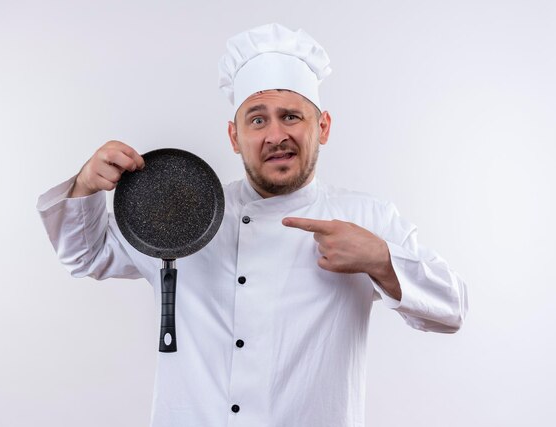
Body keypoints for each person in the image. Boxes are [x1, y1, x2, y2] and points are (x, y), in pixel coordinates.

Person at [37, 23, 468, 427]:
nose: (275, 134)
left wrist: (380, 259)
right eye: (257, 119)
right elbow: (84, 255)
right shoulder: (188, 212)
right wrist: (86, 186)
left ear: (323, 126)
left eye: (292, 116)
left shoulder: (367, 217)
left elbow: (451, 309)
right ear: (234, 136)